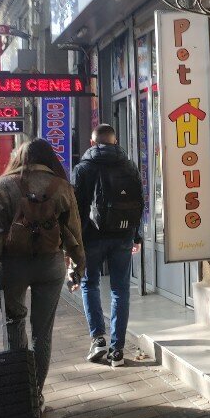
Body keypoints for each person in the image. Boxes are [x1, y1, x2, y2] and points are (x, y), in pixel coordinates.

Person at [0, 139, 85, 411]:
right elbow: (73, 230)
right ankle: (35, 396)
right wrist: (79, 266)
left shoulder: (4, 185)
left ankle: (20, 395)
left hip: (13, 266)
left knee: (14, 324)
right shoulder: (61, 185)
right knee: (42, 333)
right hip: (50, 265)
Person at [72, 124, 144, 368]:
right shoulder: (129, 166)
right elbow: (139, 202)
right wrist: (136, 236)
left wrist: (72, 244)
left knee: (89, 284)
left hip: (91, 237)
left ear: (92, 143)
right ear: (115, 141)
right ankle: (117, 351)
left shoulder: (83, 168)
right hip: (123, 235)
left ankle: (98, 339)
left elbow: (75, 209)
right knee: (120, 290)